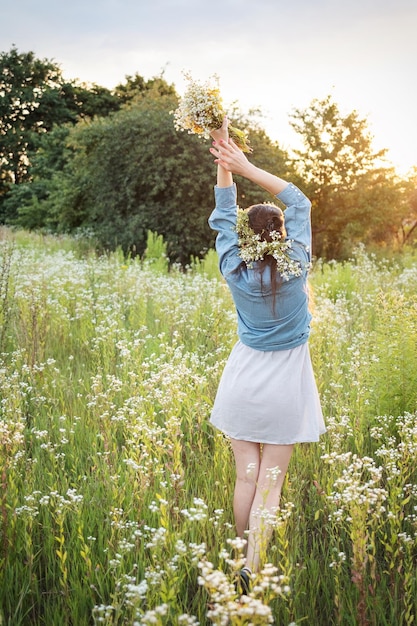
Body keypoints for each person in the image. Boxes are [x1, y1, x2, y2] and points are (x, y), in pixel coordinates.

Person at [208, 118, 326, 595]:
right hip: (284, 390)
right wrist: (246, 165)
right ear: (280, 234)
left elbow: (222, 213)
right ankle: (252, 571)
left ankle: (240, 557)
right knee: (270, 486)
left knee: (246, 477)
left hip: (242, 383)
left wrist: (224, 164)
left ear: (244, 236)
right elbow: (299, 201)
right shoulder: (297, 266)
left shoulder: (233, 266)